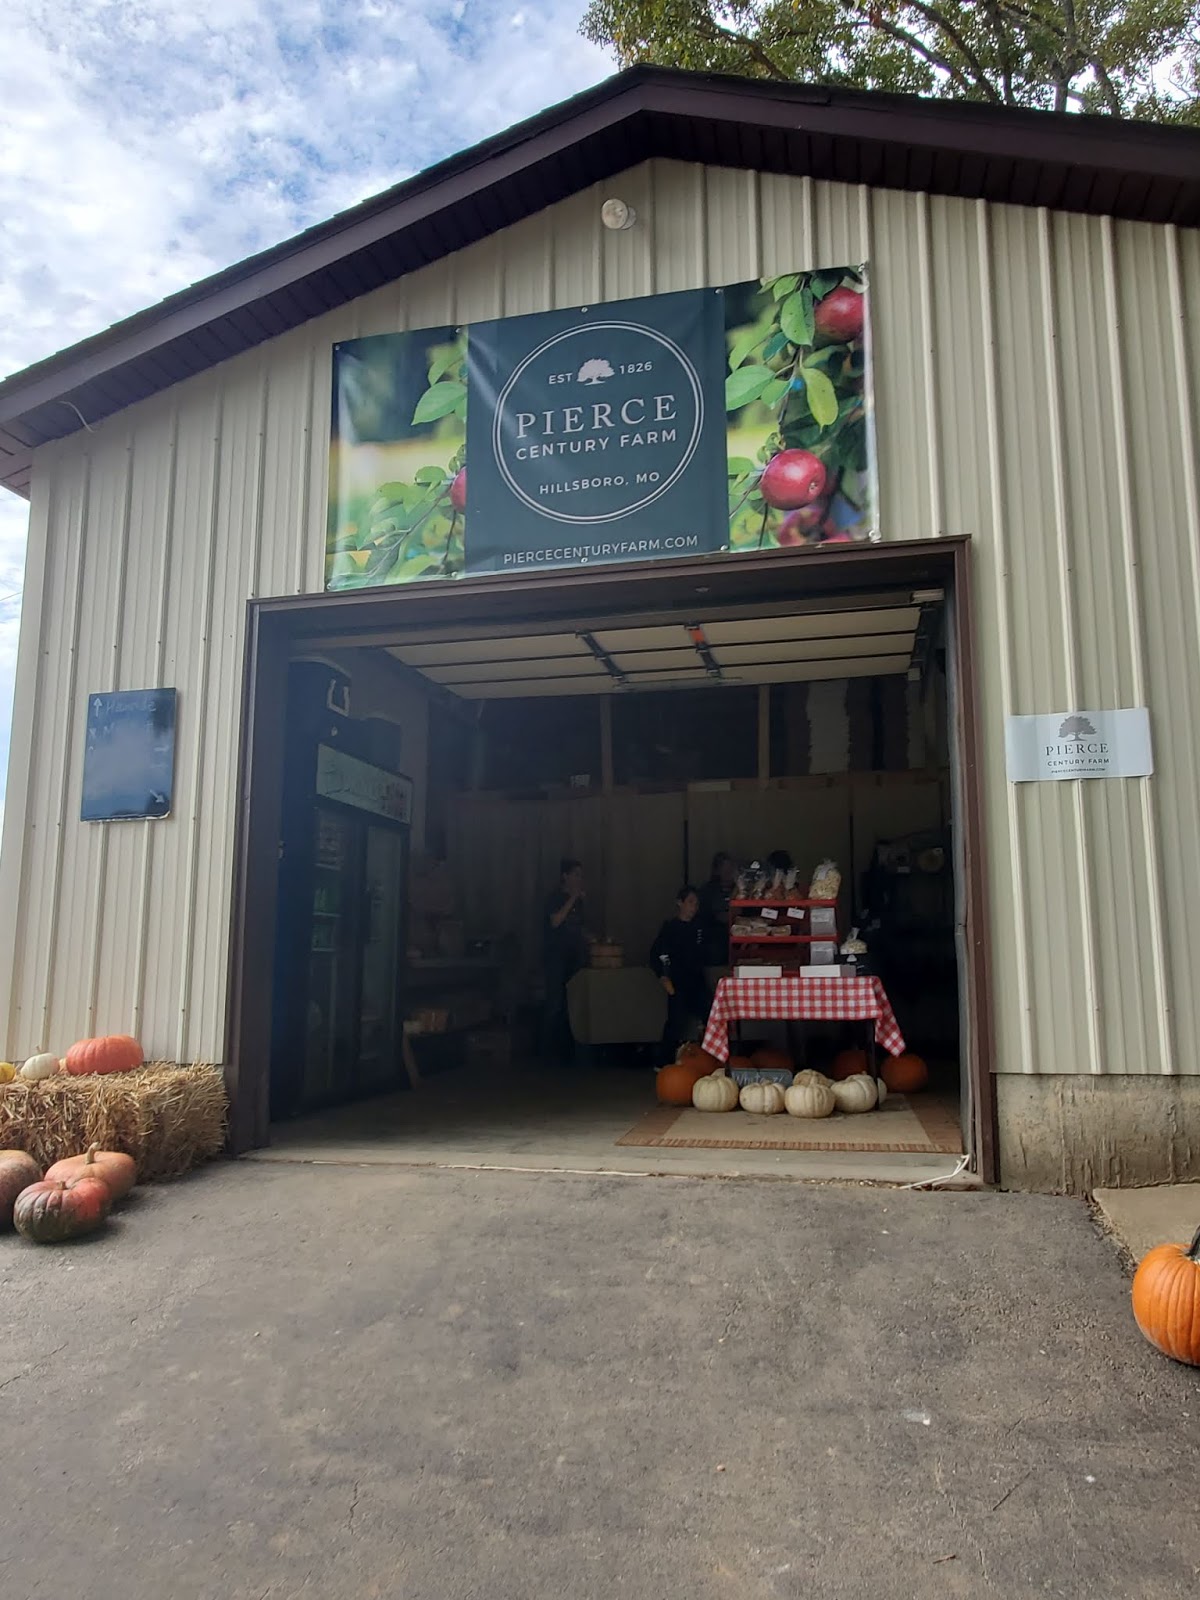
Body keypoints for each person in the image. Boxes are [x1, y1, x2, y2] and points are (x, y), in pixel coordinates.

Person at [650, 885, 712, 1064]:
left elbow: (705, 951)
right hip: (678, 980)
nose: (694, 907)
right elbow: (658, 953)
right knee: (676, 1020)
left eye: (696, 903)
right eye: (690, 902)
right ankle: (664, 1062)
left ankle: (711, 1057)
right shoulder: (670, 928)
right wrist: (663, 975)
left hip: (697, 979)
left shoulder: (699, 927)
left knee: (709, 1013)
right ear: (680, 903)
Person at [541, 859, 589, 1061]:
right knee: (555, 1003)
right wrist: (572, 899)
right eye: (576, 874)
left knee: (573, 1003)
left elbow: (578, 928)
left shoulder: (580, 902)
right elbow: (555, 921)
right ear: (565, 876)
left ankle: (567, 1051)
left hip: (574, 956)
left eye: (581, 875)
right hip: (556, 957)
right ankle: (547, 1052)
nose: (579, 879)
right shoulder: (555, 898)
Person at [697, 851, 737, 966]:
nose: (729, 873)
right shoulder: (707, 891)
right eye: (725, 869)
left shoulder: (741, 890)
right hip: (715, 948)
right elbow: (708, 917)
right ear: (717, 870)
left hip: (740, 947)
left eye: (731, 869)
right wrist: (729, 914)